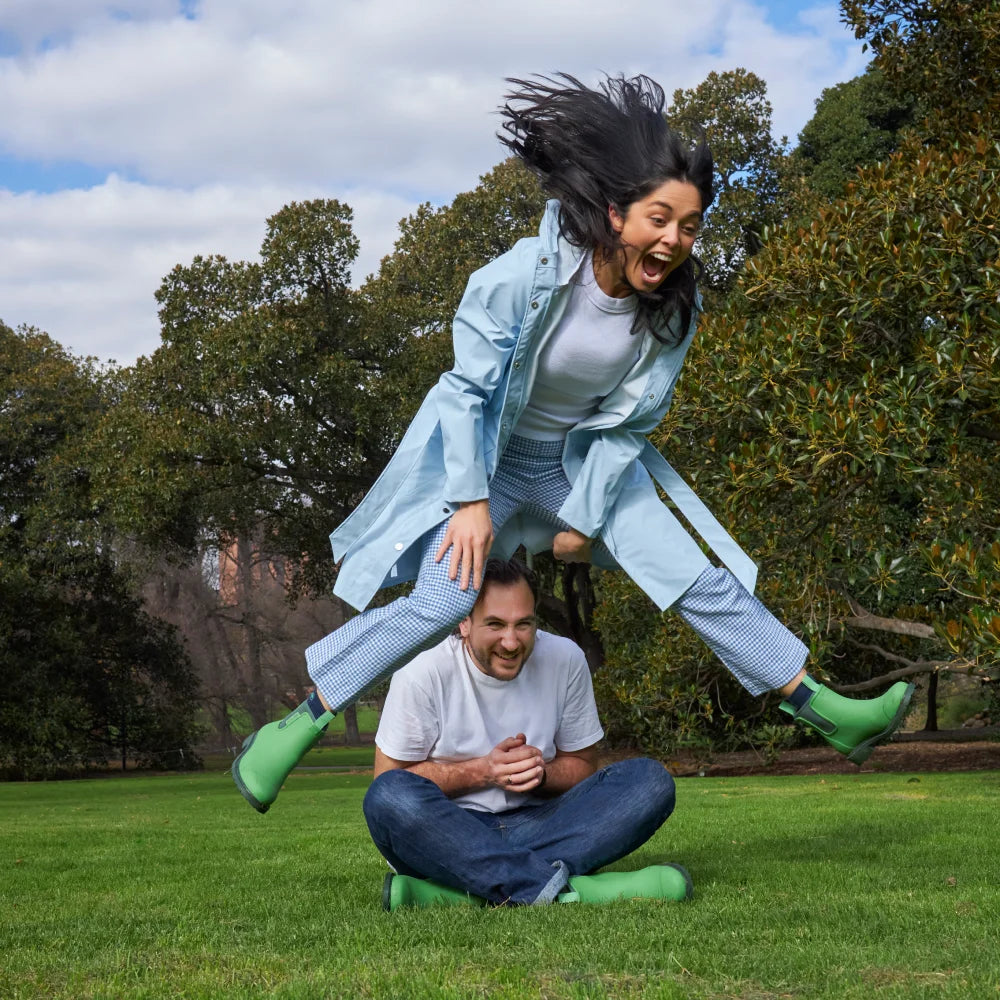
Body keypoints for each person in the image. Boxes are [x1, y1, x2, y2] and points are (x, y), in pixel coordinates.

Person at [232, 73, 912, 816]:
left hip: (576, 467)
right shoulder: (522, 276)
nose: (674, 240)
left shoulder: (672, 313)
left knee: (691, 571)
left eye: (690, 227)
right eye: (661, 218)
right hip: (486, 462)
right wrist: (467, 502)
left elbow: (630, 423)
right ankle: (292, 730)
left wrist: (586, 513)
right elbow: (464, 394)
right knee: (444, 598)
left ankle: (821, 708)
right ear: (617, 213)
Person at [366, 556, 691, 910]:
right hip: (450, 829)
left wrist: (540, 774)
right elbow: (389, 781)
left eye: (524, 624)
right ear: (463, 622)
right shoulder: (422, 670)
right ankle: (565, 891)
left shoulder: (565, 659)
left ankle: (470, 887)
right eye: (495, 624)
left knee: (650, 782)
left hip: (541, 823)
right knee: (388, 798)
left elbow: (582, 765)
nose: (511, 642)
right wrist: (483, 771)